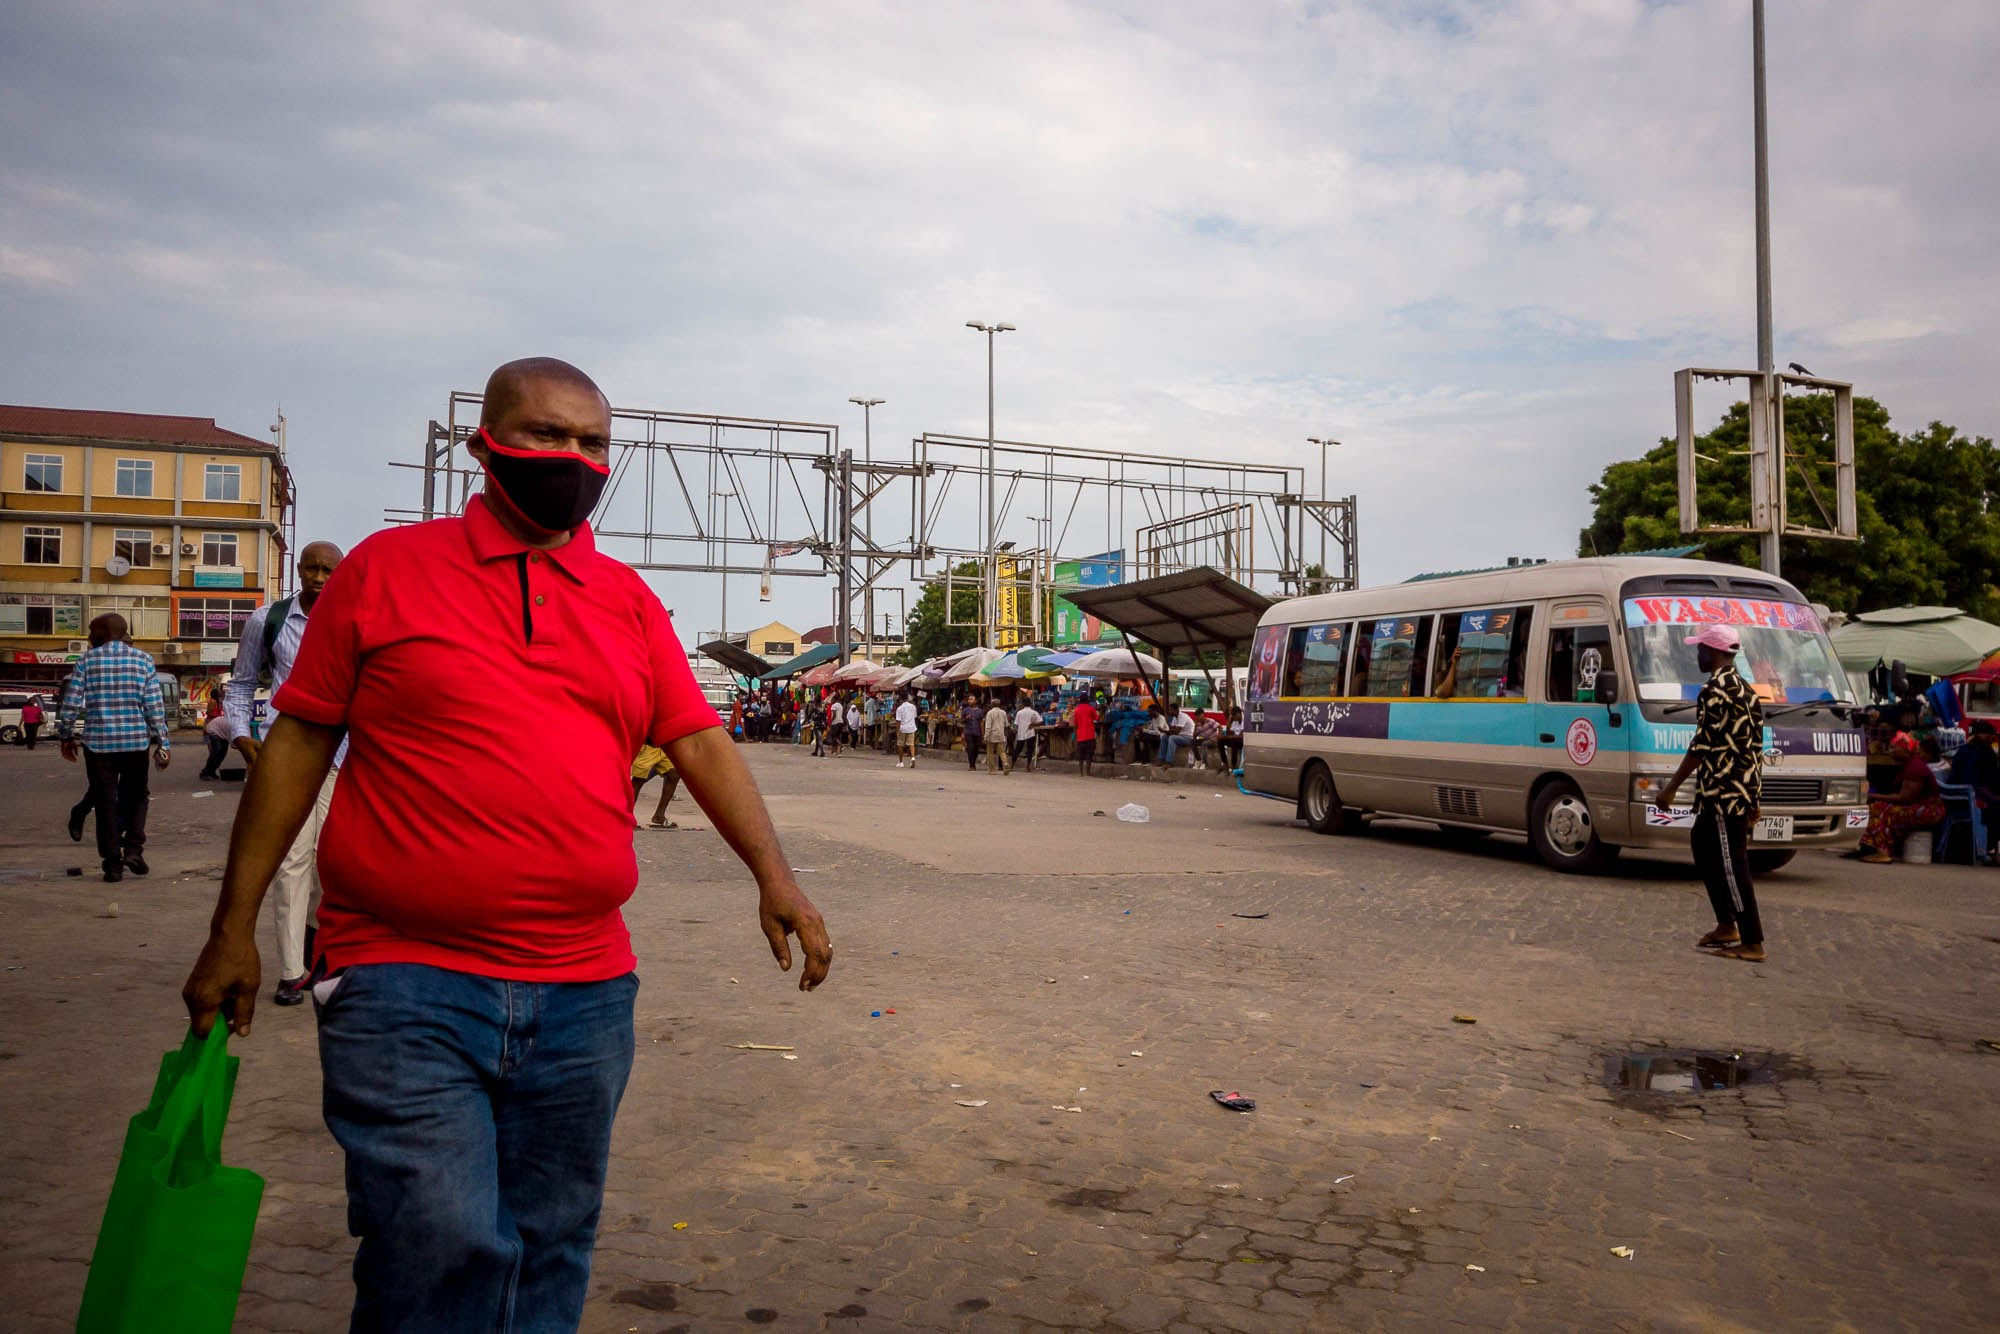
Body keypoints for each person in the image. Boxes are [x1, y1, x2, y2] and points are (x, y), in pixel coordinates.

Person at [180, 357, 831, 1331]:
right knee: (436, 1240)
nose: (570, 457)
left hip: (585, 989)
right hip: (401, 976)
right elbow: (300, 741)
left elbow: (696, 737)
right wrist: (233, 925)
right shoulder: (382, 574)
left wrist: (775, 875)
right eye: (544, 434)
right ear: (487, 444)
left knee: (548, 1240)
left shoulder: (625, 599)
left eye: (591, 442)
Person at [226, 540, 347, 1006]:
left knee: (331, 860)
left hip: (345, 757)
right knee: (292, 860)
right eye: (311, 569)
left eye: (328, 570)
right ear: (297, 569)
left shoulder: (353, 618)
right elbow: (241, 684)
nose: (318, 578)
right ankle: (293, 971)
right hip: (286, 755)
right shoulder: (267, 620)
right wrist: (240, 735)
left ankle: (322, 950)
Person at [1656, 624, 1767, 963]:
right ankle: (1725, 924)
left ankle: (1751, 941)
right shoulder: (1747, 691)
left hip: (1723, 793)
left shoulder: (1715, 690)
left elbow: (1701, 745)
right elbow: (1756, 748)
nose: (1697, 654)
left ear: (1716, 651)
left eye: (1701, 648)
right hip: (1733, 788)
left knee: (1732, 863)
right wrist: (1755, 796)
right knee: (1702, 846)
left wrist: (1671, 788)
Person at [57, 614, 170, 883]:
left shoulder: (86, 661)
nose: (88, 636)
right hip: (135, 744)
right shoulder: (144, 660)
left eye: (91, 630)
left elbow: (71, 704)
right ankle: (133, 850)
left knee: (105, 802)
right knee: (138, 797)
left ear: (102, 633)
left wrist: (66, 736)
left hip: (98, 745)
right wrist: (162, 743)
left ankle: (112, 865)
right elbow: (154, 706)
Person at [1858, 731, 1946, 864]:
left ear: (1905, 750)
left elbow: (1905, 798)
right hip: (1919, 806)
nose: (1890, 751)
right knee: (1873, 808)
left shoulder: (1915, 768)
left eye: (1894, 748)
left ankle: (1883, 852)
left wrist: (1873, 796)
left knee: (1882, 810)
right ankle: (1866, 847)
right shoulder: (1909, 764)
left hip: (1929, 810)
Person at [631, 743, 680, 828]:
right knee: (638, 780)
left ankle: (659, 816)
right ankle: (625, 817)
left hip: (662, 747)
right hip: (649, 746)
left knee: (673, 775)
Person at [199, 696, 232, 780]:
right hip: (213, 730)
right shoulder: (232, 725)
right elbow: (234, 743)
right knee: (216, 751)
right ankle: (205, 773)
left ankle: (212, 771)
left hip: (220, 731)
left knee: (222, 753)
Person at [1070, 693, 1100, 777]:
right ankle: (1088, 771)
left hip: (1081, 736)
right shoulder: (1091, 708)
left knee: (1081, 755)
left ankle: (1081, 772)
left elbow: (1075, 724)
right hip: (1090, 735)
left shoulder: (1076, 710)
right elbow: (1097, 718)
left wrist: (1075, 735)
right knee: (1089, 754)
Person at [983, 694, 1012, 774]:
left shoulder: (990, 713)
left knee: (990, 752)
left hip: (992, 735)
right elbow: (1006, 724)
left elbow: (988, 726)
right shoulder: (1003, 712)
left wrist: (986, 736)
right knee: (1002, 751)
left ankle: (992, 770)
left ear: (992, 705)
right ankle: (1005, 763)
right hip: (1001, 734)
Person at [1012, 698, 1043, 773]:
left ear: (1023, 704)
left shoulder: (1019, 712)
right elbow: (1041, 721)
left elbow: (1016, 724)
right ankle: (1028, 766)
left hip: (1021, 733)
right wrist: (1033, 724)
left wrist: (1015, 730)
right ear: (1030, 704)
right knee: (1030, 750)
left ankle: (1012, 765)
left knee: (1017, 750)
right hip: (1030, 733)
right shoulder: (1033, 712)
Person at [960, 694, 985, 770]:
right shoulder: (965, 710)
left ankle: (973, 762)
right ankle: (971, 765)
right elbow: (961, 721)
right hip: (968, 732)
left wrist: (983, 733)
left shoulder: (980, 711)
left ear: (975, 701)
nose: (970, 701)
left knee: (976, 749)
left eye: (972, 699)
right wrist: (966, 718)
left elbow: (981, 722)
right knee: (970, 748)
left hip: (977, 732)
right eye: (969, 699)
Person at [894, 690, 919, 768]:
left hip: (903, 728)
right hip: (911, 727)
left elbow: (898, 721)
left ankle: (901, 762)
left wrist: (897, 731)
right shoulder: (913, 707)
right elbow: (915, 717)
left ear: (901, 699)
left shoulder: (900, 708)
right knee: (911, 744)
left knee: (900, 745)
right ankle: (913, 758)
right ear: (908, 698)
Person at [1218, 705, 1245, 772]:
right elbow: (1229, 733)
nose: (1233, 717)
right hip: (1234, 740)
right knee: (1220, 741)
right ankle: (1225, 763)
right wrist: (1229, 722)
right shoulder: (1234, 721)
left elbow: (1241, 736)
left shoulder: (1245, 721)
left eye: (1234, 715)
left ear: (1239, 714)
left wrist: (1229, 737)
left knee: (1234, 741)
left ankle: (1234, 765)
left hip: (1242, 741)